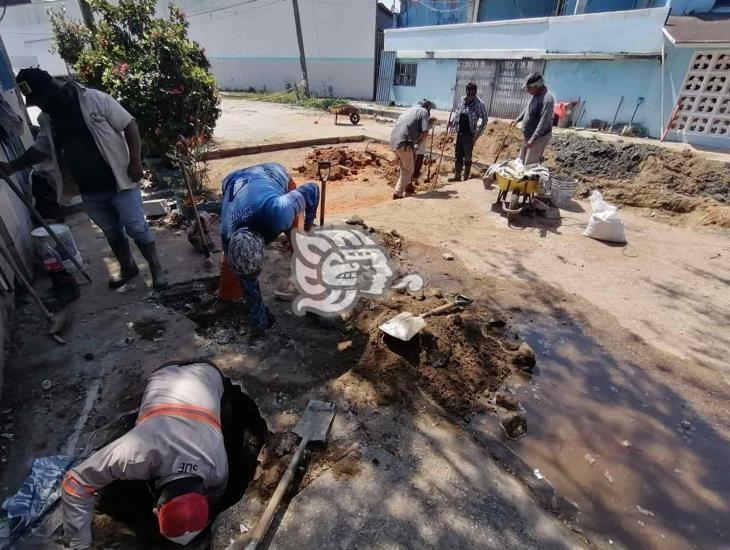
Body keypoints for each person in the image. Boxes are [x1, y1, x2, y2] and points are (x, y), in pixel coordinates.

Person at [0, 68, 167, 290]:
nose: (40, 105)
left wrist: (135, 161)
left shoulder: (94, 99)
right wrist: (12, 166)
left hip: (120, 181)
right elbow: (41, 149)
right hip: (88, 188)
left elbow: (129, 124)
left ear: (52, 89)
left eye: (41, 99)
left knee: (136, 227)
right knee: (111, 231)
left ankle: (157, 270)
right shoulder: (48, 118)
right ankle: (128, 268)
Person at [61, 360, 231, 548]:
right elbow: (74, 483)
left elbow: (211, 504)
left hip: (208, 374)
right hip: (175, 371)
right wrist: (79, 544)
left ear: (156, 512)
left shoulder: (218, 467)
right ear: (156, 512)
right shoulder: (135, 451)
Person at [219, 162, 319, 336]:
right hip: (232, 181)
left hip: (271, 173)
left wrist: (309, 223)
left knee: (300, 243)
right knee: (231, 264)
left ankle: (316, 300)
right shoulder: (228, 235)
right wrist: (260, 322)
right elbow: (247, 278)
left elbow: (312, 190)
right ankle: (229, 298)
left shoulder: (278, 212)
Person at [389, 99, 433, 199]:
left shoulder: (410, 110)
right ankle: (398, 194)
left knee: (404, 168)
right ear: (427, 108)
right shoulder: (424, 112)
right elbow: (425, 133)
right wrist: (419, 142)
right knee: (409, 170)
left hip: (394, 140)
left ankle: (404, 189)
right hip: (404, 142)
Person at [512, 72, 555, 166]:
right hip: (528, 136)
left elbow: (544, 122)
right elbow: (528, 108)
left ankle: (527, 180)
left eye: (529, 88)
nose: (527, 90)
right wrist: (517, 119)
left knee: (529, 166)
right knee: (520, 162)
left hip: (538, 138)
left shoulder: (547, 99)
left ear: (536, 86)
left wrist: (533, 139)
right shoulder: (535, 95)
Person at [449, 82, 487, 182]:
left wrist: (477, 134)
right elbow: (457, 112)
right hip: (460, 132)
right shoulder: (462, 100)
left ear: (476, 93)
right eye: (468, 93)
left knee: (467, 158)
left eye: (473, 94)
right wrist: (452, 122)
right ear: (466, 92)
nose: (470, 96)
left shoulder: (479, 104)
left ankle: (465, 180)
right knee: (458, 156)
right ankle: (457, 177)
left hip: (469, 134)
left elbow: (485, 120)